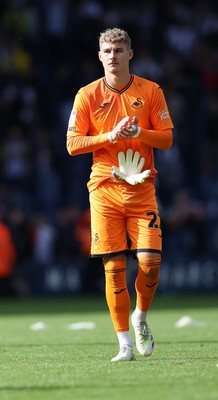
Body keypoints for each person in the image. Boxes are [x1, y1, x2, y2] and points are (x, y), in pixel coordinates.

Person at [66, 28, 174, 362]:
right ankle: (124, 344)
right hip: (104, 189)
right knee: (113, 268)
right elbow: (72, 144)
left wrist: (140, 131)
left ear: (130, 54)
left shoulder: (151, 91)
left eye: (118, 50)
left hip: (142, 188)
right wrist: (108, 136)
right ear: (99, 56)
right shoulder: (86, 95)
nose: (112, 56)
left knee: (150, 263)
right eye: (106, 50)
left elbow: (167, 140)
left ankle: (140, 316)